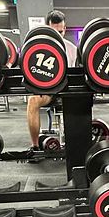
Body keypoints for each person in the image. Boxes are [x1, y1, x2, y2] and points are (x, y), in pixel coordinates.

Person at [26, 10, 77, 153]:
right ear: (47, 29)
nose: (58, 36)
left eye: (60, 32)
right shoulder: (37, 49)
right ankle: (35, 146)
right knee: (32, 101)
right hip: (47, 91)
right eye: (53, 32)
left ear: (65, 29)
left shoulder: (72, 49)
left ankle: (77, 144)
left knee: (82, 98)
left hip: (66, 90)